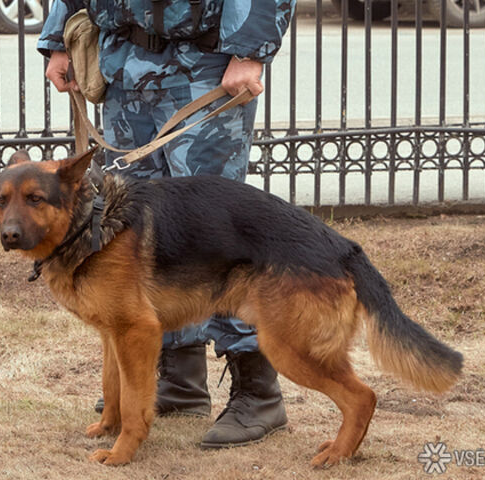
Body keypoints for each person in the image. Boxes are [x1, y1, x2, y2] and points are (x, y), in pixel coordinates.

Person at [37, 0, 296, 449]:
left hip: (203, 64)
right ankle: (180, 379)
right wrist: (60, 39)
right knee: (139, 234)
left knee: (212, 231)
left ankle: (257, 391)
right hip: (124, 65)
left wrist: (250, 50)